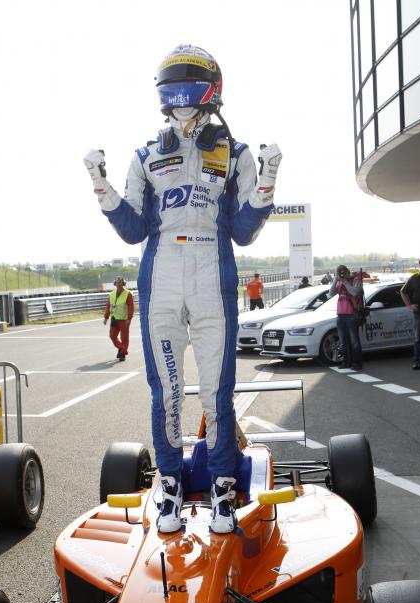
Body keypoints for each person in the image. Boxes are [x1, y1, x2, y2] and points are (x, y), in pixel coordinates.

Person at [84, 43, 282, 534]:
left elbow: (243, 231)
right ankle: (169, 484)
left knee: (217, 394)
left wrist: (268, 181)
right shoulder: (145, 155)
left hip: (214, 274)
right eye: (171, 82)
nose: (179, 93)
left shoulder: (236, 153)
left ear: (210, 89)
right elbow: (133, 229)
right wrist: (101, 186)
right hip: (163, 278)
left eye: (187, 81)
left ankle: (222, 489)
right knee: (167, 393)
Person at [328, 265, 363, 370]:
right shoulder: (339, 282)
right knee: (343, 341)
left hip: (352, 314)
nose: (342, 274)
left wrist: (345, 282)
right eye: (339, 273)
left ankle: (357, 363)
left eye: (343, 272)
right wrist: (336, 280)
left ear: (348, 272)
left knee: (354, 341)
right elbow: (331, 293)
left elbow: (354, 292)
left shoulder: (355, 280)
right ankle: (346, 362)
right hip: (340, 315)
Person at [103, 276, 134, 361]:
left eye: (120, 282)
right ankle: (121, 348)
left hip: (124, 320)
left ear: (123, 283)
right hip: (114, 319)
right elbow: (108, 306)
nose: (118, 284)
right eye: (117, 282)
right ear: (115, 283)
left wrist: (129, 318)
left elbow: (131, 307)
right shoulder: (111, 294)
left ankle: (122, 354)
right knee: (112, 336)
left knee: (124, 338)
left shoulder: (128, 294)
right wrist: (106, 317)